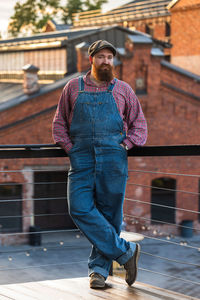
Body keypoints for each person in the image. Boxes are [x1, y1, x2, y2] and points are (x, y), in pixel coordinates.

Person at [52, 40, 147, 289]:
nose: (106, 61)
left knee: (110, 217)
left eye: (109, 57)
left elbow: (140, 125)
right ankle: (126, 252)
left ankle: (98, 271)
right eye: (101, 57)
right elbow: (59, 123)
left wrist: (125, 146)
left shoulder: (124, 90)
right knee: (79, 208)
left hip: (113, 160)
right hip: (81, 159)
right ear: (91, 59)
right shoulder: (73, 88)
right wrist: (71, 150)